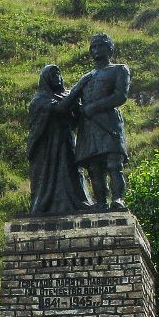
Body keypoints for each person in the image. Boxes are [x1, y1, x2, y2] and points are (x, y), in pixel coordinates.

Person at [66, 33, 131, 209]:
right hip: (88, 126)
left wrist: (94, 107)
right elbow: (72, 99)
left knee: (113, 165)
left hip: (108, 123)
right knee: (94, 168)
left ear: (109, 48)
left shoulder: (119, 69)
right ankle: (100, 202)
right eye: (92, 47)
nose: (95, 50)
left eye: (99, 46)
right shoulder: (86, 77)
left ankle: (118, 199)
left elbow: (120, 96)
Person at [27, 64, 89, 215]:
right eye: (53, 75)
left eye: (58, 75)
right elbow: (60, 108)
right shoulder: (40, 100)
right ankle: (44, 205)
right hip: (47, 146)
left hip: (66, 141)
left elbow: (76, 117)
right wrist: (78, 88)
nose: (57, 78)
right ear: (46, 80)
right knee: (48, 176)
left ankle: (78, 201)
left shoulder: (66, 95)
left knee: (71, 171)